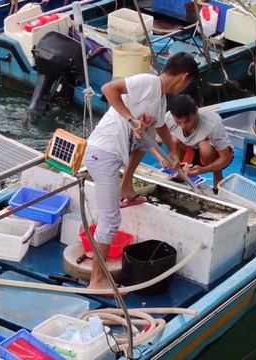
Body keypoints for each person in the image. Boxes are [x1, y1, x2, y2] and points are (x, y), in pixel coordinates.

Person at [83, 52, 199, 290]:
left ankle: (127, 186)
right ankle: (96, 281)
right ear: (185, 77)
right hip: (102, 152)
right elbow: (108, 88)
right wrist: (130, 119)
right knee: (110, 218)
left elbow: (160, 126)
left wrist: (173, 152)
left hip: (116, 153)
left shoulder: (161, 99)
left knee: (147, 138)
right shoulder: (148, 82)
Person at [153, 94, 233, 189]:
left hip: (215, 154)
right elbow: (154, 144)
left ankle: (218, 178)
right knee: (173, 140)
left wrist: (202, 170)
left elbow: (225, 157)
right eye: (178, 122)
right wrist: (160, 158)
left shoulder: (213, 123)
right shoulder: (168, 118)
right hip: (188, 149)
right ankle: (180, 172)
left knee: (205, 147)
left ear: (196, 110)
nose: (183, 126)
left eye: (187, 121)